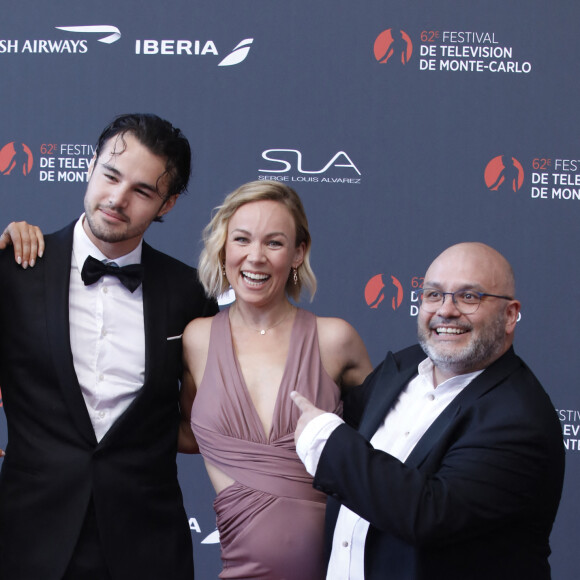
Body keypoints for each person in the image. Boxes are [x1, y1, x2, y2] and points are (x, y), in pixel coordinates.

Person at [0, 113, 218, 580]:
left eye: (142, 190)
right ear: (89, 168)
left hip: (148, 545)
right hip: (27, 540)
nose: (118, 199)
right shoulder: (16, 270)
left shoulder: (190, 293)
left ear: (168, 204)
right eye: (110, 175)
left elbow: (201, 422)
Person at [291, 242, 565, 580]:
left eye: (469, 297)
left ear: (510, 315)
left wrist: (324, 440)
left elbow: (429, 513)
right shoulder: (403, 367)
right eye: (434, 295)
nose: (446, 311)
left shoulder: (518, 419)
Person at [178, 180, 373, 579]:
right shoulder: (196, 339)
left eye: (274, 243)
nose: (255, 257)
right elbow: (185, 434)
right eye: (242, 239)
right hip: (241, 566)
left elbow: (386, 450)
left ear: (299, 252)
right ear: (224, 248)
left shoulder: (335, 339)